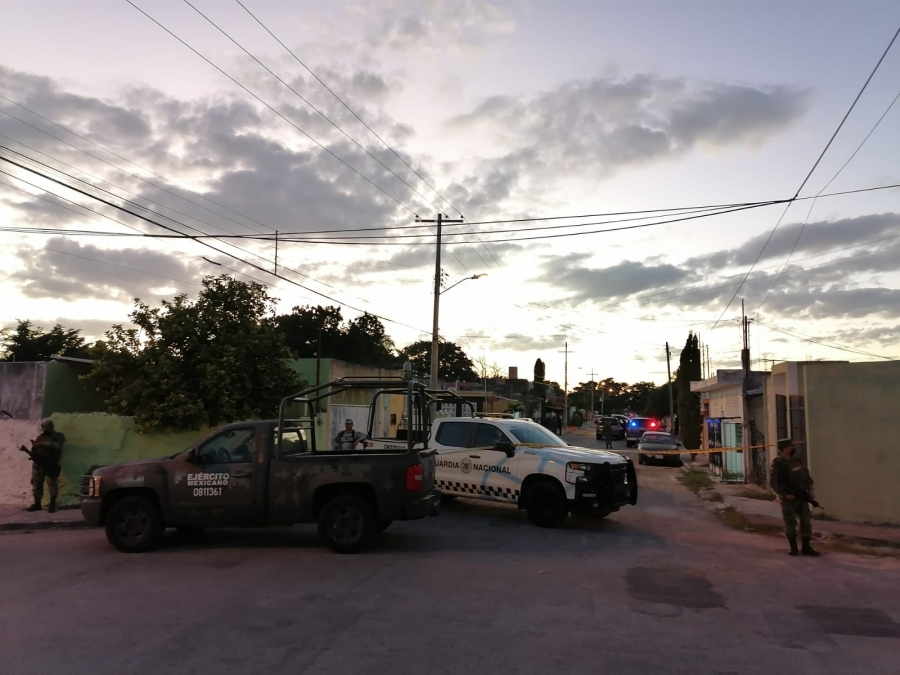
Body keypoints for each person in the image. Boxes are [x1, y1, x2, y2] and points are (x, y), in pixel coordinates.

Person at [770, 438, 819, 557]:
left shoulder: (797, 461)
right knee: (791, 522)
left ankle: (806, 547)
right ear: (783, 449)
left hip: (801, 495)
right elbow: (774, 483)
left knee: (806, 521)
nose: (792, 449)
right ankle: (793, 548)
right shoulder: (777, 464)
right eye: (789, 447)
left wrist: (810, 489)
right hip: (788, 498)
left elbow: (806, 476)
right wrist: (784, 494)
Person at [26, 419, 65, 513]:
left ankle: (52, 504)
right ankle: (37, 504)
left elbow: (58, 446)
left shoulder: (59, 436)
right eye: (43, 428)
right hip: (39, 464)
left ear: (51, 427)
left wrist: (43, 443)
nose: (45, 430)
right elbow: (35, 448)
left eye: (46, 428)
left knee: (52, 484)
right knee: (36, 483)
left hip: (50, 464)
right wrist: (34, 453)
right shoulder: (41, 437)